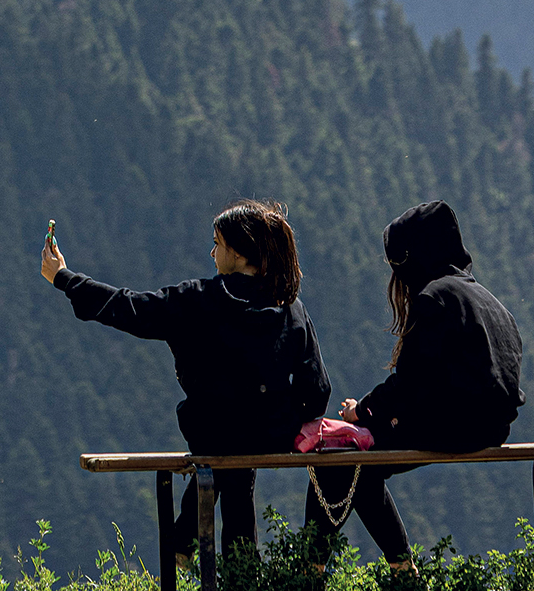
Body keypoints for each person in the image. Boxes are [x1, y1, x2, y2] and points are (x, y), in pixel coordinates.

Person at [42, 200, 330, 570]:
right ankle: (237, 572)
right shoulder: (291, 309)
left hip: (212, 430)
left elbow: (129, 308)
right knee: (236, 458)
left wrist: (65, 278)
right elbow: (318, 390)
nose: (212, 252)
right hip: (271, 435)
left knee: (225, 446)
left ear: (240, 253)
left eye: (217, 243)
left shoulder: (199, 300)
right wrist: (280, 418)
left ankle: (193, 548)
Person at [303, 198, 524, 590]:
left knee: (338, 457)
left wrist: (362, 412)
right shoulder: (488, 300)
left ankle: (308, 575)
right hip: (494, 426)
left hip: (456, 424)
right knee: (364, 468)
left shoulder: (433, 298)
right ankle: (403, 574)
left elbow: (410, 383)